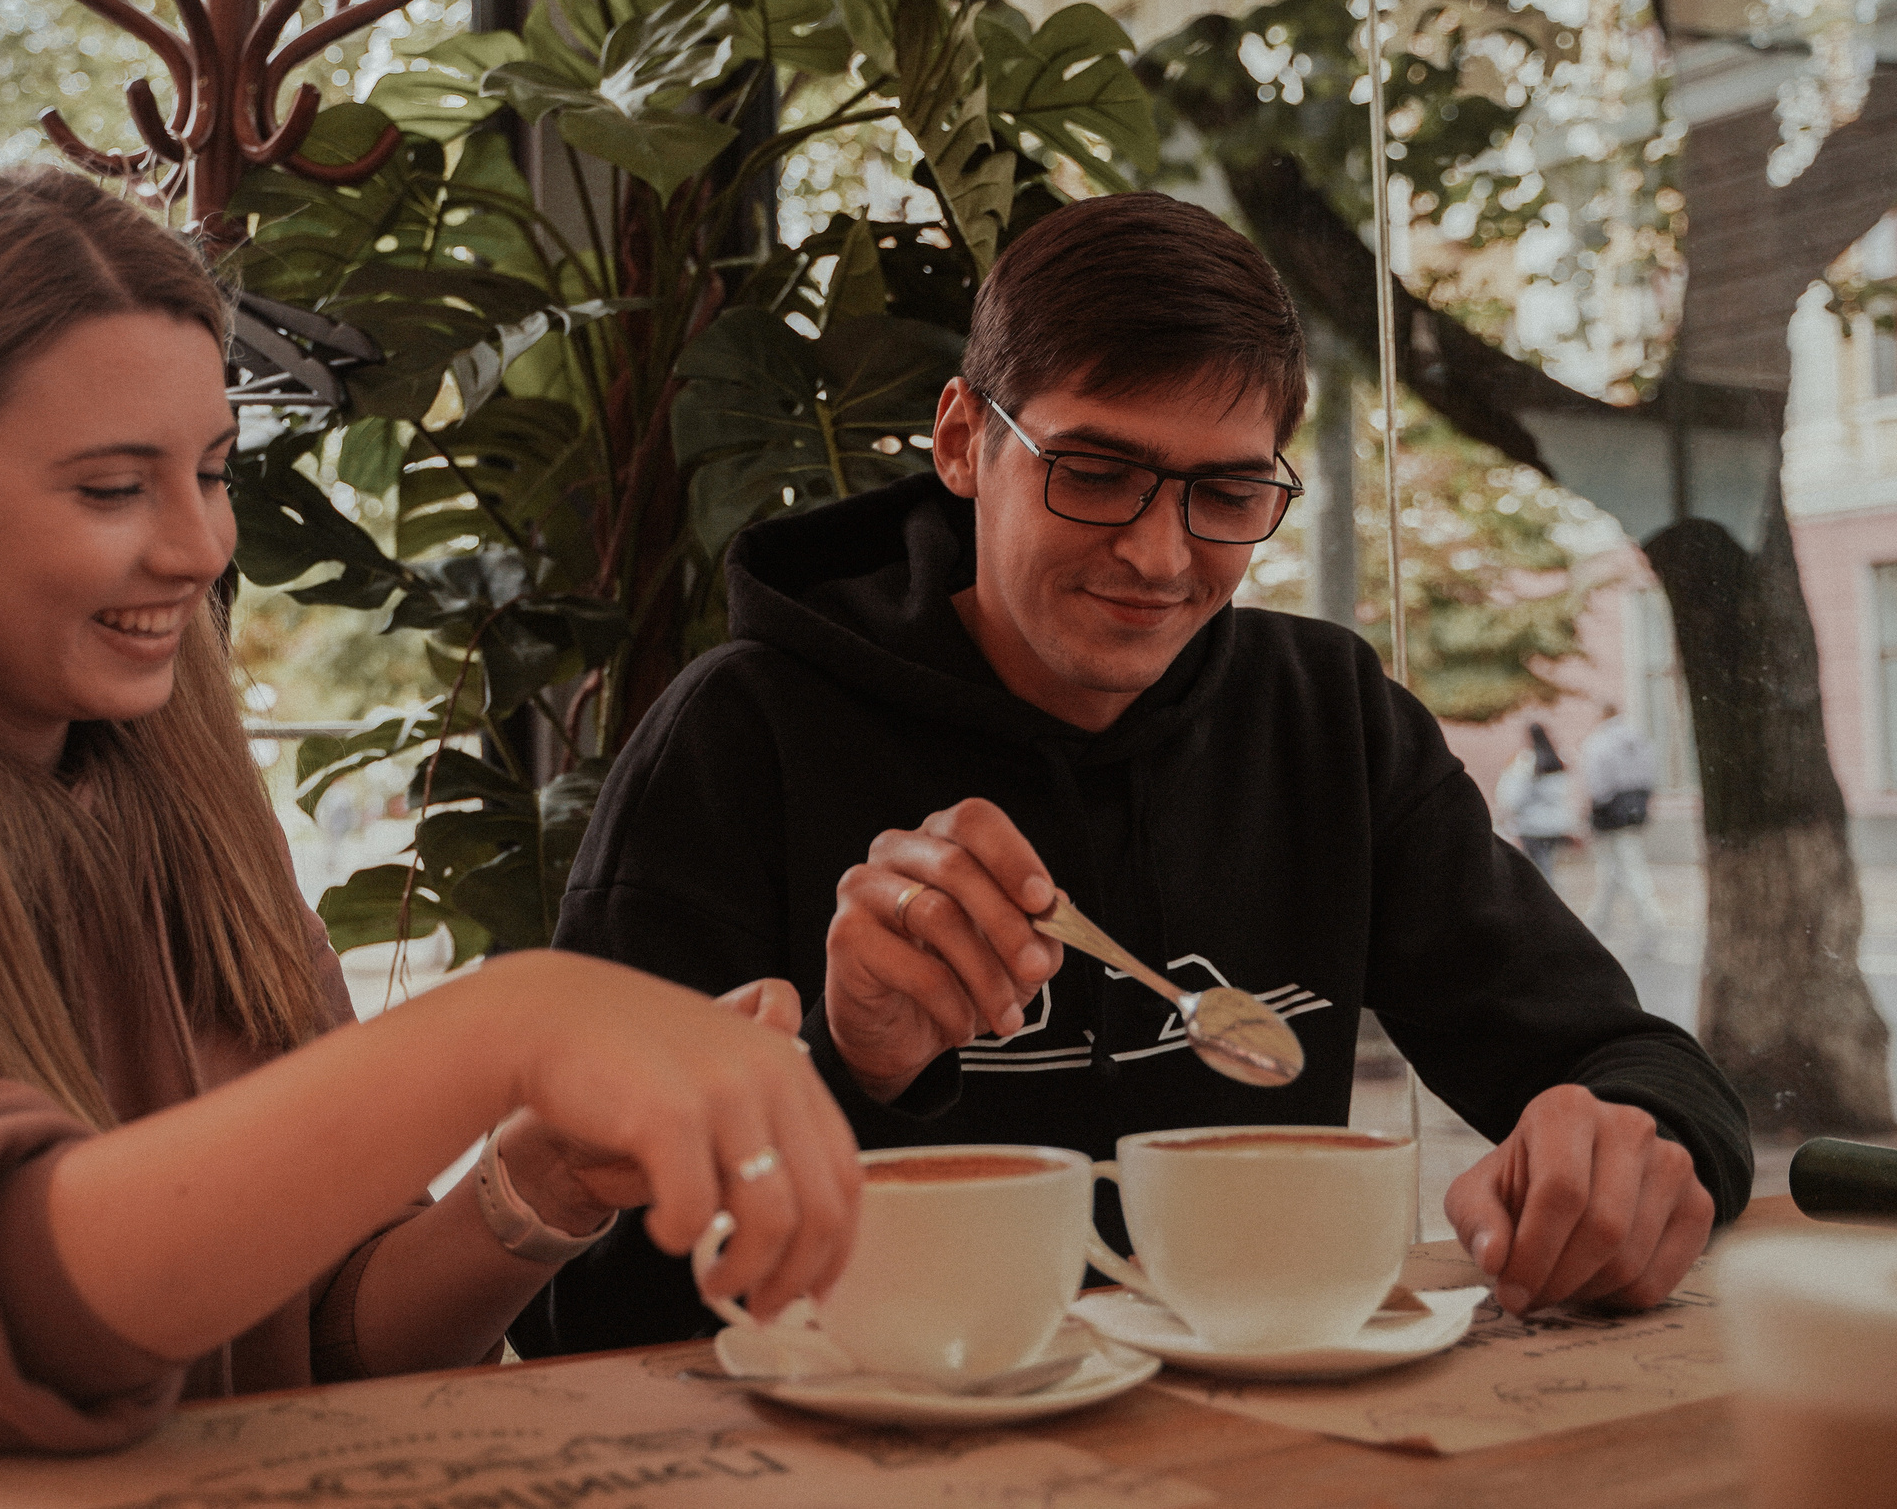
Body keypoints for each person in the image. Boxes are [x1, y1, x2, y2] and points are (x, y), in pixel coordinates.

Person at [0, 170, 859, 1474]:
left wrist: (532, 1183)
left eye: (208, 469)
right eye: (111, 485)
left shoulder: (170, 792)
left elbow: (310, 1344)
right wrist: (502, 1024)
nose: (201, 546)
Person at [510, 192, 1750, 1360]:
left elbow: (1631, 1062)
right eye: (1092, 473)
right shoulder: (738, 741)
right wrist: (850, 1066)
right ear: (960, 443)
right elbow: (593, 1306)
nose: (1159, 557)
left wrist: (1637, 1146)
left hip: (1258, 1439)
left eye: (1225, 492)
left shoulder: (1323, 721)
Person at [1580, 703, 1670, 951]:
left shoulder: (1598, 741)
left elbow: (1595, 782)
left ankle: (1650, 920)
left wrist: (1594, 807)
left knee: (1625, 867)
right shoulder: (1639, 738)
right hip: (1634, 808)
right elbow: (1651, 771)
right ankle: (1599, 919)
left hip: (1609, 811)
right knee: (1615, 866)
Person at [1494, 722, 1577, 882]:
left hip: (1531, 826)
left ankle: (1547, 900)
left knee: (1538, 870)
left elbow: (1513, 797)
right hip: (1554, 824)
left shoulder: (1526, 761)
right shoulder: (1558, 760)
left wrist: (1507, 816)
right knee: (1550, 867)